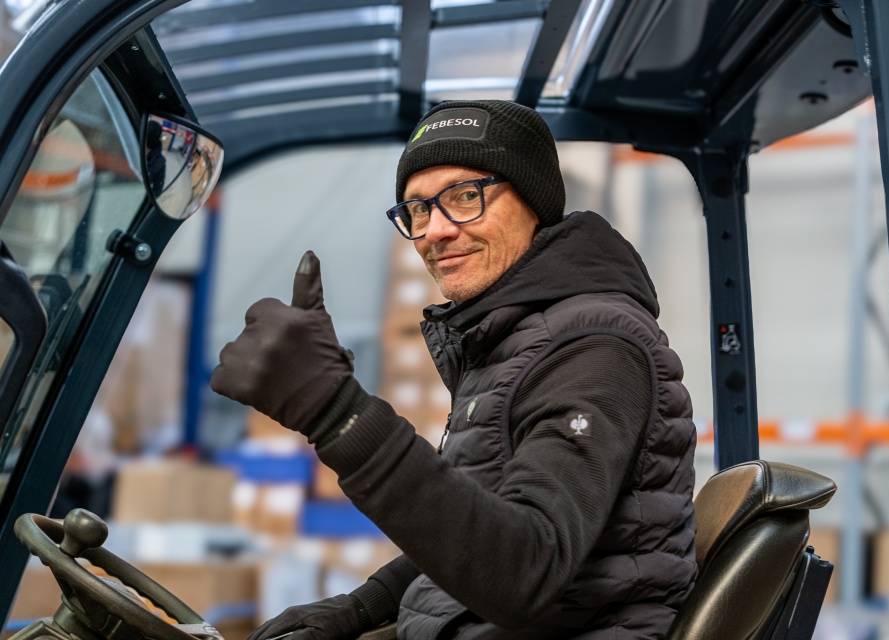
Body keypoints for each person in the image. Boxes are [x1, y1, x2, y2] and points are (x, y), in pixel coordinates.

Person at [211, 100, 698, 640]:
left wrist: (335, 414)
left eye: (466, 196)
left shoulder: (594, 347)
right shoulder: (509, 341)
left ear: (534, 202)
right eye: (417, 210)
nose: (435, 232)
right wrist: (362, 608)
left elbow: (524, 570)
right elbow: (478, 525)